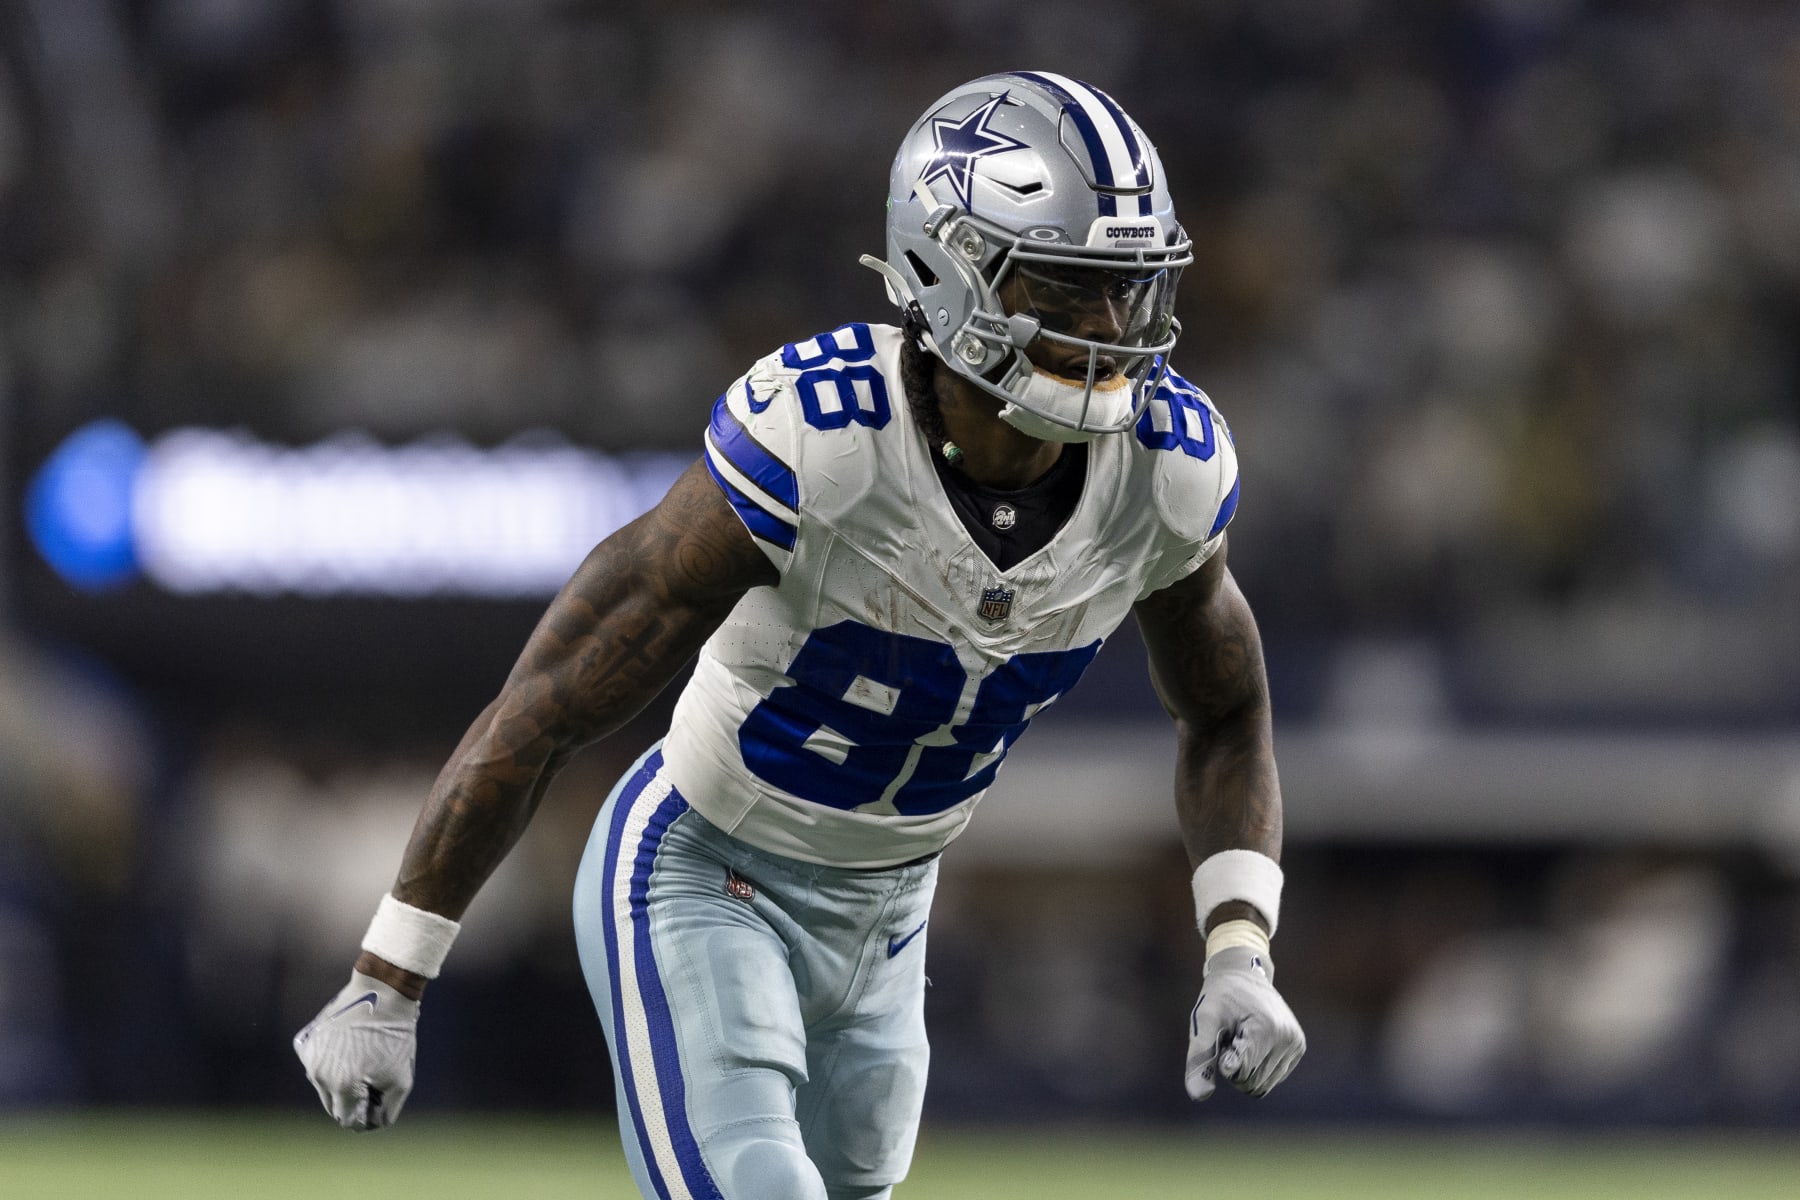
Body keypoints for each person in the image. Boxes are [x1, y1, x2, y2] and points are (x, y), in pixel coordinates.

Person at [295, 70, 1305, 1200]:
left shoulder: (1166, 472)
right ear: (947, 266)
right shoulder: (823, 440)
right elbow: (550, 700)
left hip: (891, 915)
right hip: (706, 871)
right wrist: (389, 976)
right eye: (1069, 287)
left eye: (1129, 289)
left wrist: (1239, 950)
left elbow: (1226, 707)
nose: (1112, 329)